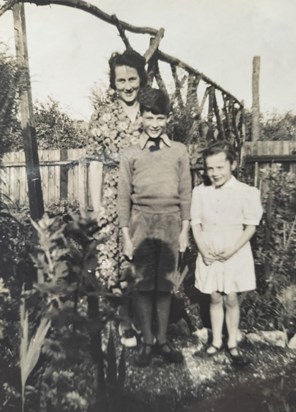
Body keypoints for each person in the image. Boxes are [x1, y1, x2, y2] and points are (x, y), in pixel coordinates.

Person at [118, 88, 192, 367]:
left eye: (160, 118)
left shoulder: (179, 152)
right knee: (143, 287)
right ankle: (147, 342)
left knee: (164, 287)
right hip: (141, 224)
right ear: (141, 118)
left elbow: (186, 193)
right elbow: (123, 197)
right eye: (149, 117)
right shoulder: (130, 154)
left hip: (170, 223)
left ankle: (162, 341)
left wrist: (185, 230)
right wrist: (126, 236)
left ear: (167, 119)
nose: (155, 124)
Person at [88, 49, 147, 347]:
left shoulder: (151, 111)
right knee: (112, 263)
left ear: (141, 78)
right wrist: (98, 209)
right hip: (112, 198)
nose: (126, 86)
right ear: (113, 82)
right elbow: (95, 163)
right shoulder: (102, 115)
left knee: (139, 261)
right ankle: (124, 321)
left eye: (131, 78)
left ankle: (140, 316)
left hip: (145, 199)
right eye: (120, 80)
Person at [190, 141, 263, 362]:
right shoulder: (200, 192)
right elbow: (196, 223)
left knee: (231, 297)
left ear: (232, 165)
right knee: (213, 296)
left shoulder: (246, 192)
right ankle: (216, 342)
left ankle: (232, 341)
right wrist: (203, 250)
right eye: (210, 168)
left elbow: (251, 226)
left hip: (235, 250)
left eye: (220, 167)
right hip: (210, 251)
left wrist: (232, 249)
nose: (215, 173)